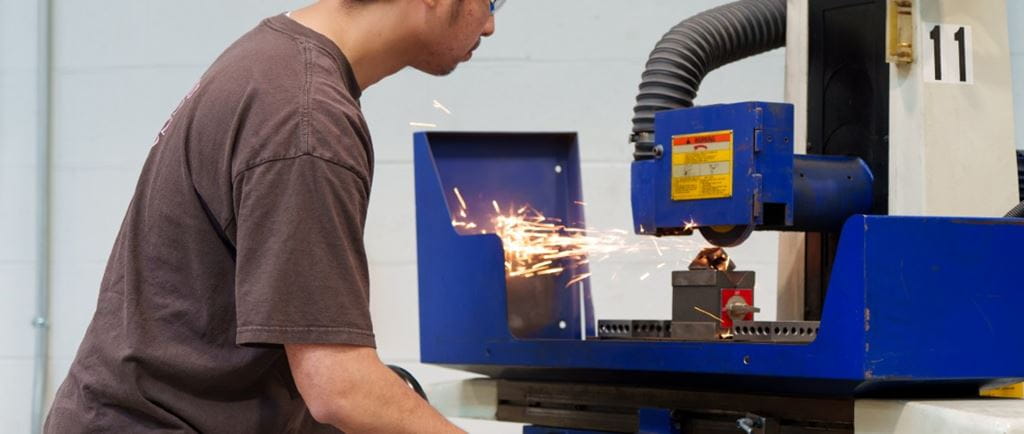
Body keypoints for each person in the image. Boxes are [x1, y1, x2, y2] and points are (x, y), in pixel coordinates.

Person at [45, 0, 498, 432]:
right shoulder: (308, 116)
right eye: (492, 2)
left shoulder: (272, 61)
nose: (490, 25)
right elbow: (339, 388)